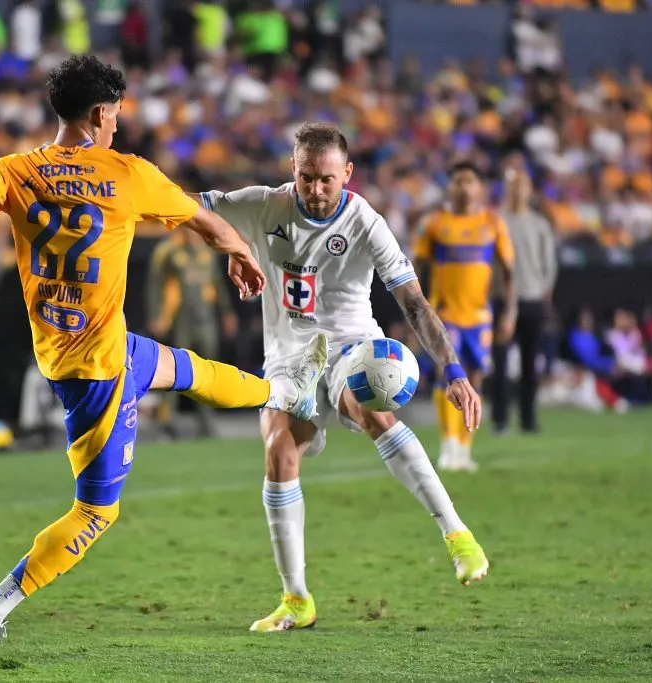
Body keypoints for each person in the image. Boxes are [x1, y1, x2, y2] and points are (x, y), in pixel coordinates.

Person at [0, 55, 327, 655]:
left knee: (186, 368)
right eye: (117, 114)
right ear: (100, 114)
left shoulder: (18, 170)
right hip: (98, 369)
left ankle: (287, 392)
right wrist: (241, 255)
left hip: (80, 352)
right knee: (97, 511)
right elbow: (206, 222)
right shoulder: (128, 174)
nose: (118, 125)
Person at [195, 122, 487, 633]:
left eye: (327, 179)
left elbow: (413, 301)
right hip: (290, 358)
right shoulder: (265, 203)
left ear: (347, 174)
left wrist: (455, 371)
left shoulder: (365, 221)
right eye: (306, 177)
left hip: (354, 348)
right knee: (279, 452)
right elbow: (185, 205)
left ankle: (457, 534)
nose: (316, 189)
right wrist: (228, 245)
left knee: (371, 406)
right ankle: (297, 599)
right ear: (293, 169)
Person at [414, 161, 516, 471]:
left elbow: (509, 271)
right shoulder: (434, 223)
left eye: (469, 180)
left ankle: (465, 447)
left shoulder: (493, 223)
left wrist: (510, 311)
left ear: (480, 187)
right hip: (444, 313)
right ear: (450, 187)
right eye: (457, 181)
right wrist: (416, 310)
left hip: (479, 316)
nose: (463, 187)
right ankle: (449, 444)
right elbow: (415, 268)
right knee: (448, 375)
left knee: (475, 379)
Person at [146, 229, 239, 438]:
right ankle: (165, 421)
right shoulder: (167, 251)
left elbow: (217, 284)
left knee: (208, 369)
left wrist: (227, 313)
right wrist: (156, 315)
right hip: (181, 319)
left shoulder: (207, 251)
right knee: (176, 368)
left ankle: (206, 423)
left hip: (205, 318)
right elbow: (155, 284)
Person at [491, 168, 556, 434]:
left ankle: (528, 419)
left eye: (523, 184)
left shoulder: (539, 223)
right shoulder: (496, 220)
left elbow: (548, 261)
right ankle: (500, 420)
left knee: (530, 363)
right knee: (500, 363)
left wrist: (544, 289)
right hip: (501, 299)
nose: (519, 190)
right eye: (514, 185)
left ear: (529, 190)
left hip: (531, 297)